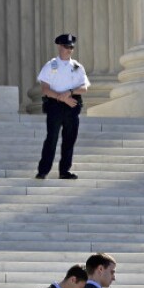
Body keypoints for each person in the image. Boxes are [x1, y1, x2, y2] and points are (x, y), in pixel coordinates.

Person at [35, 33, 90, 180]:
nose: (69, 50)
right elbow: (45, 88)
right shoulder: (51, 65)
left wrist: (70, 93)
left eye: (71, 47)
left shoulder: (77, 67)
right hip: (55, 106)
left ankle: (64, 171)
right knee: (51, 139)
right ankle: (43, 171)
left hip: (72, 105)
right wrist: (62, 98)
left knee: (69, 140)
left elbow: (84, 87)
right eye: (66, 46)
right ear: (59, 47)